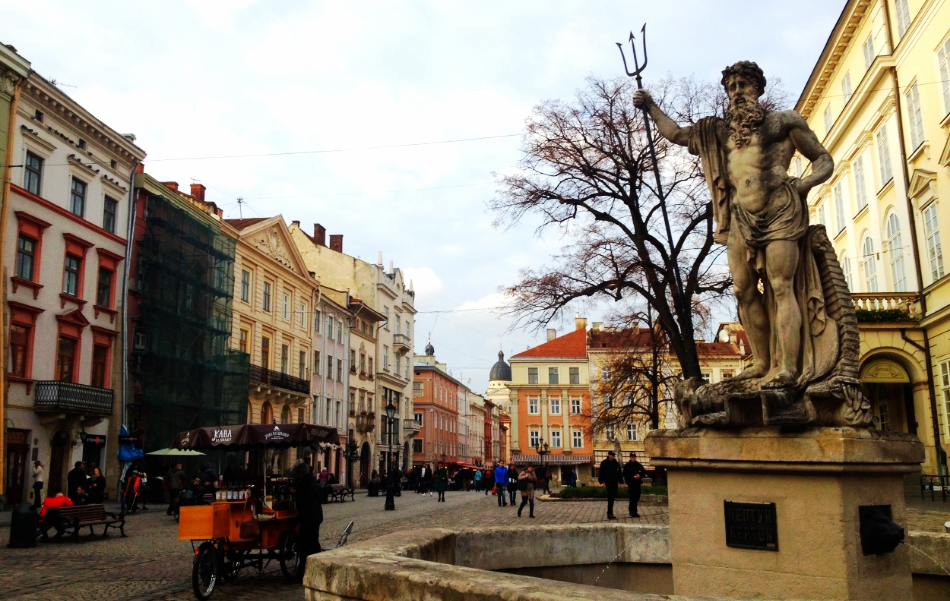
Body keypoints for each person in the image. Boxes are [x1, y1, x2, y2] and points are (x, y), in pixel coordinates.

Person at [633, 62, 834, 392]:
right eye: (732, 87)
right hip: (740, 216)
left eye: (744, 85)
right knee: (742, 290)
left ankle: (787, 368)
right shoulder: (718, 132)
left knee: (780, 285)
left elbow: (824, 159)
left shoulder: (784, 123)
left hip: (780, 210)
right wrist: (651, 106)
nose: (738, 92)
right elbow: (677, 134)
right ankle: (763, 363)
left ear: (757, 89)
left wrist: (805, 184)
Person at [293, 463, 323, 581]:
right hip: (312, 517)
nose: (298, 477)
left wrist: (295, 493)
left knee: (308, 544)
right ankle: (314, 567)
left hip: (311, 517)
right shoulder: (309, 482)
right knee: (311, 543)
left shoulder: (310, 484)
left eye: (299, 474)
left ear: (302, 474)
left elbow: (306, 501)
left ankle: (310, 569)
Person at [598, 451, 623, 520]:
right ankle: (609, 513)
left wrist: (621, 482)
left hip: (615, 482)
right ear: (608, 455)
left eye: (613, 455)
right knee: (611, 495)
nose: (612, 457)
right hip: (608, 481)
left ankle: (610, 512)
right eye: (611, 455)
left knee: (614, 496)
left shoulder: (616, 464)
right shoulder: (604, 463)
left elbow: (619, 474)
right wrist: (601, 482)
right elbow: (601, 473)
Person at [623, 452, 648, 518]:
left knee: (637, 496)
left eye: (634, 457)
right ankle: (633, 511)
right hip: (631, 483)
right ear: (630, 457)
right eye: (632, 457)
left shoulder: (639, 465)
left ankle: (634, 510)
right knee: (632, 497)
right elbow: (625, 474)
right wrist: (632, 477)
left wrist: (639, 475)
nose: (633, 458)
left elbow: (643, 472)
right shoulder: (627, 466)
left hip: (637, 483)